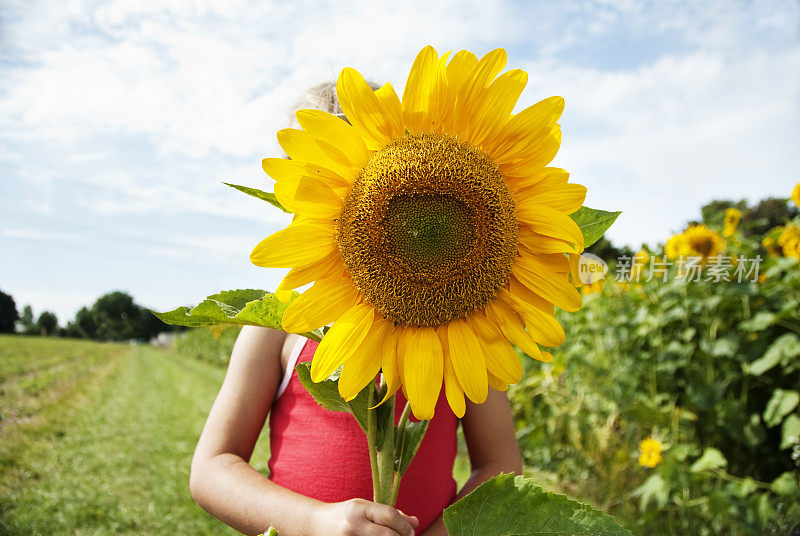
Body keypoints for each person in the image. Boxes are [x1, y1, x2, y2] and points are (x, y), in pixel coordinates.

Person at [188, 83, 523, 536]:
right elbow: (212, 469)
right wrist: (313, 522)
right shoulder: (285, 322)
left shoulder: (468, 322)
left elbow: (500, 465)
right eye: (315, 182)